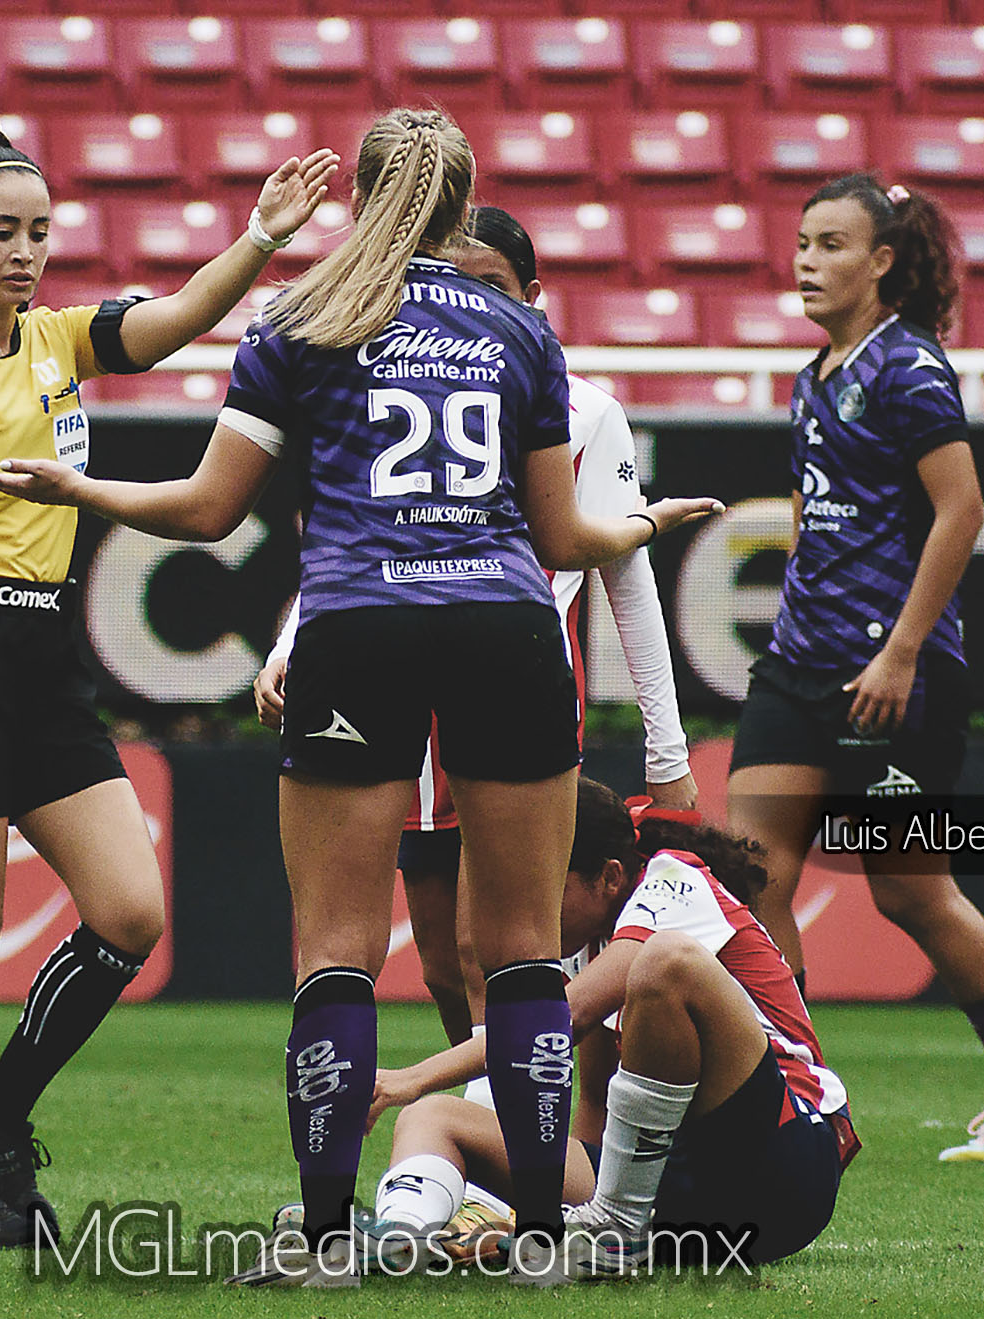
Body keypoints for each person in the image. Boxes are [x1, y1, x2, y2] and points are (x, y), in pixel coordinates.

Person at [0, 106, 721, 1284]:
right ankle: (539, 1236)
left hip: (358, 629)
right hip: (506, 628)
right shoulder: (521, 333)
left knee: (336, 950)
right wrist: (639, 523)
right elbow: (561, 537)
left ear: (361, 200)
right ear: (462, 212)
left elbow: (209, 510)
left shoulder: (299, 319)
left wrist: (84, 490)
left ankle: (325, 1236)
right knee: (525, 953)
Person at [0, 111, 338, 1250]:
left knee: (128, 909)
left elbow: (178, 317)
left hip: (43, 658)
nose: (25, 252)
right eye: (1, 231)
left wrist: (261, 236)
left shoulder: (61, 339)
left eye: (40, 232)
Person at [253, 205, 696, 1055]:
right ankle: (486, 1113)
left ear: (532, 296)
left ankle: (525, 1123)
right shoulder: (387, 386)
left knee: (498, 946)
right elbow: (357, 538)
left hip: (509, 681)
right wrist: (288, 644)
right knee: (440, 963)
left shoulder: (584, 410)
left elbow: (627, 578)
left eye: (490, 285)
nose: (466, 303)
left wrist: (666, 750)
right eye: (452, 281)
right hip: (402, 696)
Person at [725, 173, 984, 1162]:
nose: (807, 261)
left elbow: (963, 510)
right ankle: (803, 1095)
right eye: (803, 242)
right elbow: (815, 514)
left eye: (831, 244)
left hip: (892, 674)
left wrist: (901, 650)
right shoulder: (813, 375)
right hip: (798, 668)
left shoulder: (909, 367)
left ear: (882, 261)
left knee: (910, 890)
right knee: (751, 875)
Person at [362, 780, 857, 1281]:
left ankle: (615, 1229)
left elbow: (567, 1017)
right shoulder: (585, 942)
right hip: (678, 1199)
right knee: (434, 1116)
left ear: (610, 876)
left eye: (547, 889)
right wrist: (557, 1213)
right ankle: (401, 1238)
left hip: (785, 1168)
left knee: (666, 960)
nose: (531, 909)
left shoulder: (674, 880)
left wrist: (410, 1077)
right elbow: (596, 1100)